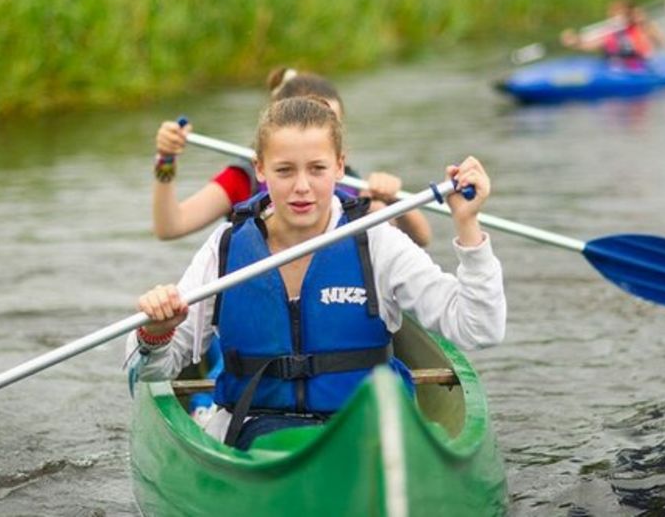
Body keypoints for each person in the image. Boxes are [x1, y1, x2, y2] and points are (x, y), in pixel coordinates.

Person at [126, 96, 506, 450]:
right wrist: (155, 333)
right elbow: (150, 374)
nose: (302, 187)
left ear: (340, 166)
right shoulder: (225, 246)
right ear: (260, 169)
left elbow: (480, 329)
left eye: (318, 169)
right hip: (262, 431)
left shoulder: (375, 241)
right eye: (285, 171)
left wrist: (468, 227)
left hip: (367, 427)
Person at [151, 68, 432, 247]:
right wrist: (165, 160)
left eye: (330, 122)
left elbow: (421, 238)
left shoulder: (350, 183)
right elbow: (169, 227)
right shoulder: (243, 179)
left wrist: (394, 200)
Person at [560, 0, 665, 65]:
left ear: (629, 15)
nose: (614, 17)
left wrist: (645, 23)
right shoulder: (609, 31)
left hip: (639, 66)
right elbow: (588, 44)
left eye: (619, 13)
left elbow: (661, 43)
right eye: (613, 13)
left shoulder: (642, 27)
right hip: (614, 69)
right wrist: (574, 41)